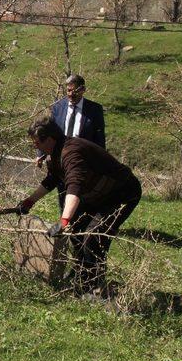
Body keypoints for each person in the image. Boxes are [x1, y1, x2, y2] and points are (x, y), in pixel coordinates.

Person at [18, 117, 141, 294]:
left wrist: (64, 220)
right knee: (76, 232)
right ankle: (81, 275)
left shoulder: (71, 153)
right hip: (97, 194)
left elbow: (73, 189)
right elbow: (52, 179)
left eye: (37, 142)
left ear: (50, 139)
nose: (35, 146)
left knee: (93, 235)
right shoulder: (56, 153)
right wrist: (29, 201)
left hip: (121, 193)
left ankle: (94, 288)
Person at [37, 75, 106, 210]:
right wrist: (41, 153)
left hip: (82, 159)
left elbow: (99, 137)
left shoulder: (94, 110)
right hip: (61, 158)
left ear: (83, 90)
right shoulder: (58, 107)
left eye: (75, 91)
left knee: (79, 192)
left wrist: (100, 160)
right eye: (68, 91)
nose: (71, 94)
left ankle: (78, 223)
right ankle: (66, 223)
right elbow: (48, 131)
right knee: (63, 192)